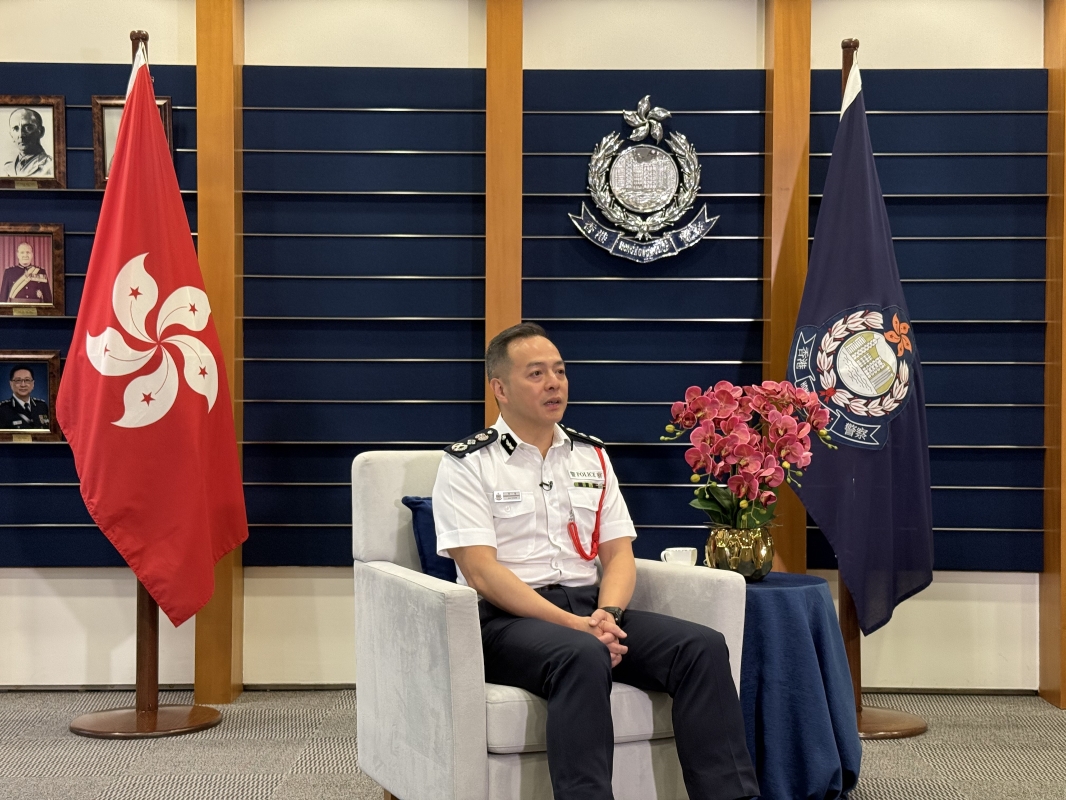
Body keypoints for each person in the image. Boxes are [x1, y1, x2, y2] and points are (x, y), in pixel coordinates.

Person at [432, 322, 759, 800]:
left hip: (590, 608)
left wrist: (609, 614)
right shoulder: (468, 464)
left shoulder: (592, 457)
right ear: (500, 388)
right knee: (581, 653)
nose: (554, 383)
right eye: (536, 374)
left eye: (560, 372)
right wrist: (575, 626)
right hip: (505, 621)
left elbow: (619, 553)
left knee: (701, 647)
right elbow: (481, 571)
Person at [3, 107, 53, 178]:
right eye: (16, 128)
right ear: (11, 134)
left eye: (28, 128)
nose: (21, 135)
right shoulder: (7, 168)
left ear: (41, 132)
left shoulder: (51, 166)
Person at [0, 365, 50, 430]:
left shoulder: (42, 406)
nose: (23, 385)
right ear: (11, 384)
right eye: (18, 380)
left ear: (33, 384)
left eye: (27, 380)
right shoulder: (2, 410)